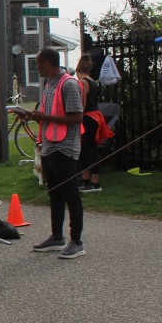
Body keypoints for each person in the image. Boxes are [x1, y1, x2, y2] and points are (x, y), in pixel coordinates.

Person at [27, 48, 85, 259]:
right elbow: (49, 114)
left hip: (65, 148)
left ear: (47, 63)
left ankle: (77, 241)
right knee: (55, 194)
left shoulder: (68, 84)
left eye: (38, 64)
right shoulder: (49, 83)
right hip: (49, 146)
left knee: (71, 195)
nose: (37, 68)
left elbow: (77, 117)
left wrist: (44, 117)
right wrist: (35, 117)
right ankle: (57, 236)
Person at [76, 56, 104, 193]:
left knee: (87, 149)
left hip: (86, 117)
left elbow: (82, 103)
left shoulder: (82, 82)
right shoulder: (93, 82)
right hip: (95, 116)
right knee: (89, 148)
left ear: (78, 70)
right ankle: (88, 180)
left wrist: (77, 118)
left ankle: (92, 182)